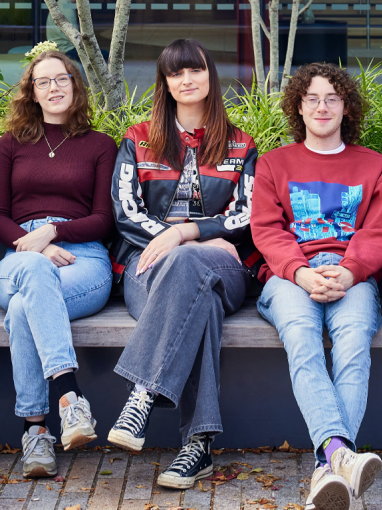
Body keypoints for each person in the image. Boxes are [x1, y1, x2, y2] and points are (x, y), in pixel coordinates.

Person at [108, 38, 259, 490]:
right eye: (176, 73)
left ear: (210, 77)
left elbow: (248, 213)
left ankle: (143, 391)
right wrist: (172, 241)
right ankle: (198, 445)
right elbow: (125, 210)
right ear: (166, 83)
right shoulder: (138, 140)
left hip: (224, 266)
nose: (187, 80)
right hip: (147, 266)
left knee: (193, 261)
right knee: (201, 304)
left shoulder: (239, 144)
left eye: (195, 70)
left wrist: (186, 233)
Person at [251, 62, 382, 509]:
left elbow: (379, 231)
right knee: (302, 339)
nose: (322, 106)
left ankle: (327, 463)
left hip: (353, 275)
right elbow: (267, 230)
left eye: (332, 98)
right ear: (299, 105)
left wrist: (351, 271)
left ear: (346, 107)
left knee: (353, 343)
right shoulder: (275, 163)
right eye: (312, 97)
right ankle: (339, 455)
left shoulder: (374, 166)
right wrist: (300, 271)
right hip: (289, 274)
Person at [0, 50, 117, 477]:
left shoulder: (101, 145)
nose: (54, 87)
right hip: (19, 256)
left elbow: (104, 219)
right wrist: (34, 244)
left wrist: (53, 232)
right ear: (31, 92)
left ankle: (35, 432)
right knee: (31, 273)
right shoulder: (9, 144)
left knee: (19, 308)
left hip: (82, 257)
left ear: (75, 84)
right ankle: (69, 397)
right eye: (43, 81)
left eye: (62, 78)